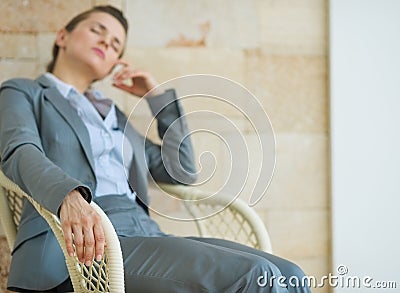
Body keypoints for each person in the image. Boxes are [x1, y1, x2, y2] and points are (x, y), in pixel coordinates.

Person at [0, 5, 311, 293]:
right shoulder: (25, 92)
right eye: (98, 30)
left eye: (116, 44)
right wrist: (68, 195)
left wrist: (157, 98)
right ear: (63, 36)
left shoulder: (113, 117)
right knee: (254, 274)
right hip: (81, 242)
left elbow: (182, 171)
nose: (107, 42)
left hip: (145, 232)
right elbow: (18, 149)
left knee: (289, 274)